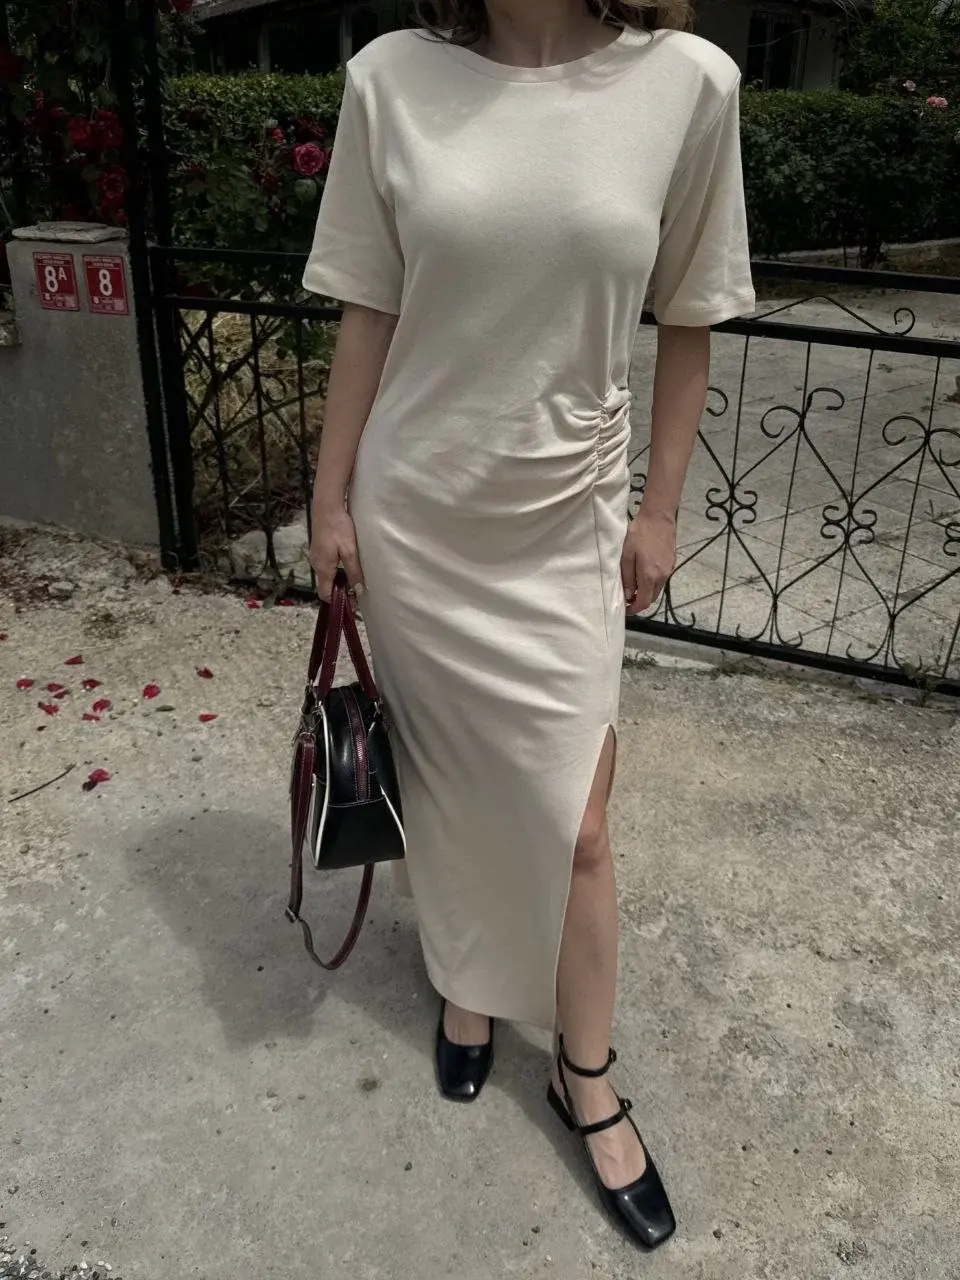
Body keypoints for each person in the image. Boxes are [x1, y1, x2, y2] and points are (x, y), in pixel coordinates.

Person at [303, 0, 754, 1250]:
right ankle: (467, 986)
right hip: (419, 516)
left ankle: (583, 1071)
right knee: (447, 785)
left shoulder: (689, 85)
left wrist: (660, 511)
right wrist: (330, 498)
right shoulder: (392, 79)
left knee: (579, 826)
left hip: (565, 523)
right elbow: (366, 309)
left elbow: (690, 318)